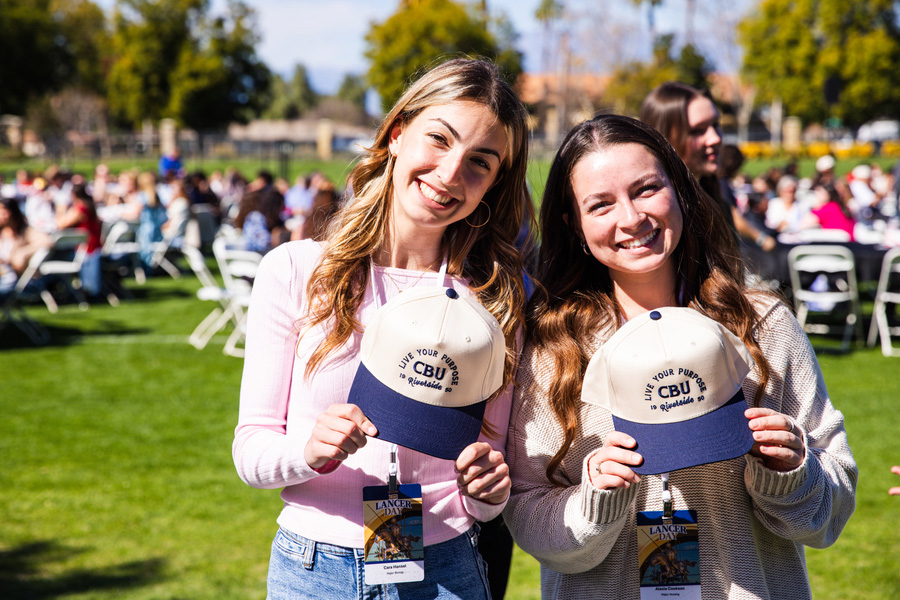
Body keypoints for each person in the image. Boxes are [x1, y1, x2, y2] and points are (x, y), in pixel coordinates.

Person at [502, 114, 857, 599]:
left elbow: (829, 512)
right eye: (600, 204)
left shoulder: (763, 325)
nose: (630, 218)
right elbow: (526, 510)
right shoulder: (552, 347)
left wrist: (794, 472)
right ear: (575, 225)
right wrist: (592, 504)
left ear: (679, 188)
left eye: (646, 189)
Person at [232, 57, 532, 599]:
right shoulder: (297, 271)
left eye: (480, 163)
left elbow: (487, 478)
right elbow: (251, 451)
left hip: (444, 572)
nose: (449, 174)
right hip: (311, 572)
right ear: (396, 134)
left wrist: (489, 489)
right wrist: (307, 451)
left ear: (493, 184)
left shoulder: (493, 303)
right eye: (438, 139)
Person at [640, 82, 777, 254]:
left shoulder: (716, 201)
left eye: (715, 124)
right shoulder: (649, 214)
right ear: (663, 136)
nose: (715, 138)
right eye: (697, 130)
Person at [56, 183, 103, 298]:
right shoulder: (89, 206)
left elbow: (61, 224)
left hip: (84, 249)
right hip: (92, 246)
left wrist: (60, 208)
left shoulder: (79, 208)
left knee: (56, 254)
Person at [0, 197, 51, 293]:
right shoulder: (2, 234)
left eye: (3, 212)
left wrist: (21, 253)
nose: (1, 216)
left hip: (15, 279)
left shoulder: (26, 231)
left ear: (13, 212)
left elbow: (47, 242)